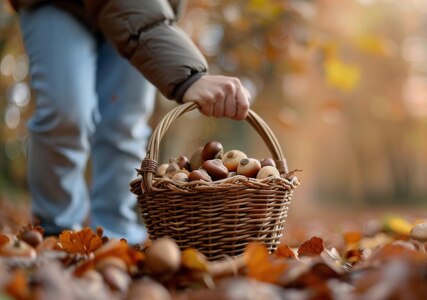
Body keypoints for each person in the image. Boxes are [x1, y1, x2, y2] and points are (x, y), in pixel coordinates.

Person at [10, 0, 251, 244]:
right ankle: (56, 233)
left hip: (142, 11)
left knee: (124, 124)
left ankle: (114, 232)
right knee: (65, 112)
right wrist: (188, 76)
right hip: (58, 6)